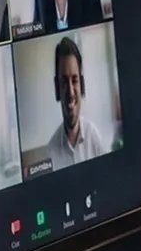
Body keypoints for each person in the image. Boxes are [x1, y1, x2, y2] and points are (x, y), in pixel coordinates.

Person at [41, 36, 112, 169]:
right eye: (64, 81)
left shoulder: (94, 137)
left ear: (82, 85)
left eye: (74, 80)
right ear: (57, 88)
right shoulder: (50, 151)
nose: (71, 92)